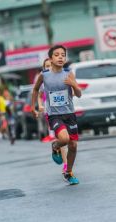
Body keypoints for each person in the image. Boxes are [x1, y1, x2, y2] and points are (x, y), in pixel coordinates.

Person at [31, 45, 82, 185]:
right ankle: (55, 145)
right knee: (64, 139)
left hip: (69, 114)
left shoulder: (69, 73)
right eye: (57, 55)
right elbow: (35, 90)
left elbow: (79, 94)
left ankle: (68, 172)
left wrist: (74, 84)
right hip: (54, 115)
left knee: (73, 145)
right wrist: (33, 107)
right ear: (50, 59)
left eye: (63, 55)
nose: (60, 57)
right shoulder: (44, 75)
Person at [38, 58, 69, 178]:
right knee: (62, 138)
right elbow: (39, 95)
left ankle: (57, 148)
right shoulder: (44, 80)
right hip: (52, 113)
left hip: (66, 111)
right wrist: (40, 105)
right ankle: (66, 165)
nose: (49, 68)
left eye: (50, 65)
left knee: (68, 139)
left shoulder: (61, 77)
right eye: (46, 66)